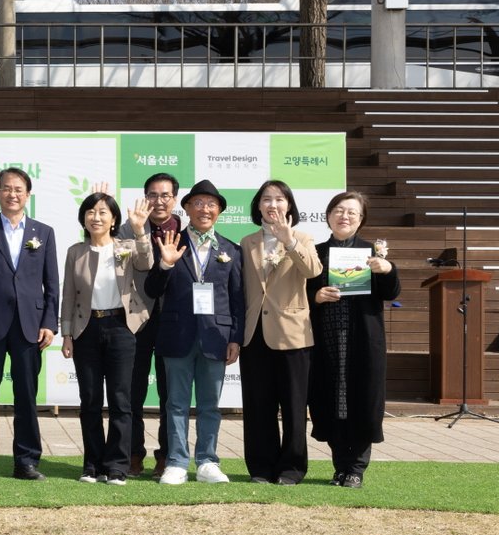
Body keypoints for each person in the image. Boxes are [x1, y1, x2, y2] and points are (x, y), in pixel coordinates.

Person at [0, 167, 60, 481]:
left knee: (26, 397)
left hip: (30, 325)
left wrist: (49, 323)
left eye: (18, 189)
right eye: (6, 188)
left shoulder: (43, 232)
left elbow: (52, 284)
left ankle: (27, 461)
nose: (12, 194)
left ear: (27, 194)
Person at [145, 179, 243, 486]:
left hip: (216, 337)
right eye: (198, 203)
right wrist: (165, 264)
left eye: (211, 204)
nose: (205, 209)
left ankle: (207, 462)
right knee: (175, 404)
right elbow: (151, 289)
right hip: (177, 334)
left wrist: (235, 337)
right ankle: (176, 461)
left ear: (219, 211)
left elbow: (238, 298)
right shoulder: (170, 242)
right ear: (186, 208)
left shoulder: (231, 250)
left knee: (209, 405)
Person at [307, 191, 400, 489]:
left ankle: (356, 468)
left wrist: (387, 269)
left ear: (361, 220)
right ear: (328, 215)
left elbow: (391, 292)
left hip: (362, 342)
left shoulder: (372, 253)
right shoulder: (315, 253)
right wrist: (316, 296)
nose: (344, 216)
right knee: (331, 402)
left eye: (351, 212)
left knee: (361, 401)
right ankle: (339, 466)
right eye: (338, 210)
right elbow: (300, 295)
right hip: (326, 342)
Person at [61, 193, 153, 485]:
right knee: (89, 400)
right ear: (83, 219)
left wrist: (139, 231)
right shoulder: (76, 252)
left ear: (114, 219)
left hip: (120, 327)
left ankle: (117, 466)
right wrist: (66, 333)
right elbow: (68, 294)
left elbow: (146, 263)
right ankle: (92, 464)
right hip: (86, 328)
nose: (96, 217)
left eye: (102, 212)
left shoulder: (126, 247)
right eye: (90, 212)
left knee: (120, 400)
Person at [239, 180, 322, 485]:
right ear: (258, 206)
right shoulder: (247, 242)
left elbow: (313, 271)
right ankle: (260, 467)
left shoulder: (303, 238)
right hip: (254, 333)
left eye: (279, 199)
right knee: (258, 405)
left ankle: (292, 468)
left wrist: (289, 241)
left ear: (289, 205)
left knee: (293, 405)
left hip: (293, 334)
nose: (272, 204)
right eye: (266, 199)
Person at [117, 172, 179, 478]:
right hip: (135, 320)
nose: (159, 201)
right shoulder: (126, 229)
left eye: (165, 195)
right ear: (145, 198)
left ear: (175, 199)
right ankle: (132, 454)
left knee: (171, 395)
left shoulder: (186, 230)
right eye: (153, 195)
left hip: (174, 321)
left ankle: (166, 455)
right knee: (132, 392)